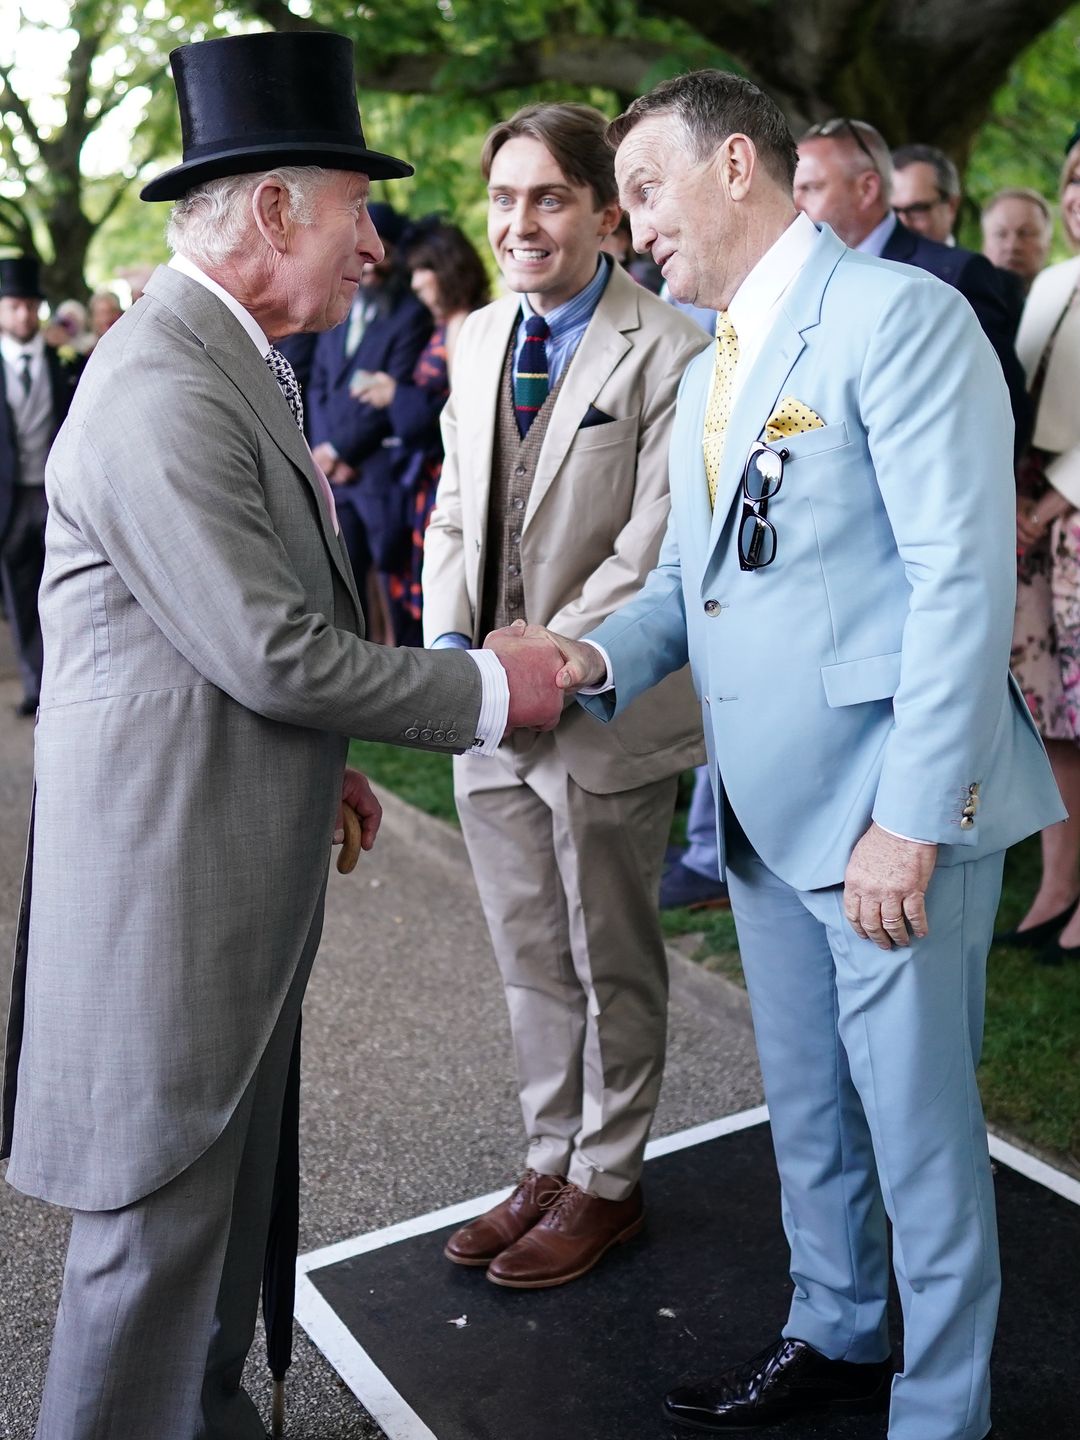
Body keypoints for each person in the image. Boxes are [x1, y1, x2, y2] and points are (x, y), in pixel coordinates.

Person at [0, 31, 563, 1440]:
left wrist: (333, 761)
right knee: (145, 1279)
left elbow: (217, 643)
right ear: (271, 214)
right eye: (355, 210)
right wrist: (489, 690)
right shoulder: (161, 384)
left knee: (202, 1254)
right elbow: (271, 649)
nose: (374, 245)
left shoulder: (215, 359)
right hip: (167, 910)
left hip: (213, 888)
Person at [526, 68, 1062, 1437]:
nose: (630, 222)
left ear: (737, 170)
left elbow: (958, 585)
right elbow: (696, 585)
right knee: (812, 1118)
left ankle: (940, 1412)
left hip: (890, 821)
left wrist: (911, 819)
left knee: (923, 1139)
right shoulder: (718, 358)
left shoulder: (902, 319)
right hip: (762, 813)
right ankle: (836, 1327)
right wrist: (587, 657)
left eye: (643, 188)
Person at [422, 101, 708, 1289]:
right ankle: (549, 1158)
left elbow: (654, 546)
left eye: (547, 198)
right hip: (484, 706)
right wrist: (451, 652)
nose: (520, 223)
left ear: (604, 210)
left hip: (603, 710)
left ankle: (610, 1180)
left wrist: (552, 657)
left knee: (612, 956)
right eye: (503, 199)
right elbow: (451, 508)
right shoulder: (480, 335)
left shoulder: (677, 347)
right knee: (529, 951)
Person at [794, 118, 1030, 449]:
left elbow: (1001, 410)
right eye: (794, 188)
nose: (796, 204)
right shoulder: (801, 278)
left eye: (811, 188)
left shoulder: (955, 274)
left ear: (868, 189)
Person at [1005, 131, 1080, 964]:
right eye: (1073, 179)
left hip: (1074, 518)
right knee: (1053, 718)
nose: (1078, 196)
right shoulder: (1053, 281)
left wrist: (1061, 496)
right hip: (1034, 525)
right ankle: (1056, 889)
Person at [307, 199, 433, 643]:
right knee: (346, 598)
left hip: (379, 480)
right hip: (336, 481)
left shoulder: (412, 316)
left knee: (397, 603)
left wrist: (337, 451)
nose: (371, 264)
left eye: (384, 252)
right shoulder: (337, 311)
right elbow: (318, 385)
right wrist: (322, 452)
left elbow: (389, 394)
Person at [359, 220, 490, 644]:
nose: (415, 283)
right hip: (425, 477)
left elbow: (463, 416)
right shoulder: (448, 323)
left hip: (443, 477)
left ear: (448, 268)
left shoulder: (464, 326)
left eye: (423, 269)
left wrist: (397, 395)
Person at [0, 254, 79, 717]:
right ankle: (36, 685)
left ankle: (64, 687)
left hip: (55, 499)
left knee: (66, 597)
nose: (24, 314)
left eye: (30, 305)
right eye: (14, 306)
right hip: (8, 505)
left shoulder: (61, 363)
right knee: (20, 602)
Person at [981, 186, 1053, 297]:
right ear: (984, 244)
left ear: (1047, 243)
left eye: (1025, 233)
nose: (1012, 246)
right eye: (1001, 234)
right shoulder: (963, 306)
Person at [890, 142, 962, 243]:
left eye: (916, 209)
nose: (902, 223)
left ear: (951, 206)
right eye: (891, 211)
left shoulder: (969, 259)